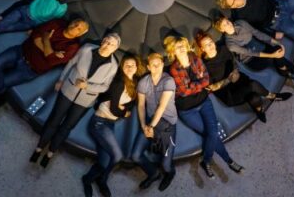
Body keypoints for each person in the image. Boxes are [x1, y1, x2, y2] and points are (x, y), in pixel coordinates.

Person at [30, 33, 121, 168]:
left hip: (85, 100)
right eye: (107, 41)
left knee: (68, 126)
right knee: (54, 120)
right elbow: (71, 63)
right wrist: (61, 79)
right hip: (68, 90)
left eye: (112, 44)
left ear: (115, 48)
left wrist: (87, 86)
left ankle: (50, 152)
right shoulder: (87, 49)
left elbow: (105, 86)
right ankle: (39, 148)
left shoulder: (113, 65)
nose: (108, 45)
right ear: (102, 41)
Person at [0, 18, 89, 117]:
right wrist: (49, 51)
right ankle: (0, 96)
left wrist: (45, 38)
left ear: (81, 33)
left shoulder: (72, 47)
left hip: (30, 69)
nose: (75, 26)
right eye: (75, 22)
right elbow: (35, 34)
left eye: (79, 28)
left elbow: (51, 60)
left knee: (2, 81)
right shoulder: (57, 23)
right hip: (20, 51)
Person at [164, 35, 243, 178]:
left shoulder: (195, 58)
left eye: (182, 45)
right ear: (173, 52)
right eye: (177, 47)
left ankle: (210, 161)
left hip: (204, 102)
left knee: (212, 133)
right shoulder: (174, 69)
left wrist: (194, 85)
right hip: (187, 110)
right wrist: (198, 83)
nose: (181, 48)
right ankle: (228, 161)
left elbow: (205, 80)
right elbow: (183, 91)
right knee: (209, 133)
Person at [81, 54, 146, 197]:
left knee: (104, 162)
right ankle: (99, 180)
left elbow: (132, 103)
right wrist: (124, 113)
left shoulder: (134, 82)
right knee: (117, 156)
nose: (129, 68)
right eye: (126, 65)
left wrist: (125, 107)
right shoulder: (118, 82)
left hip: (109, 124)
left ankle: (92, 180)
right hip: (99, 123)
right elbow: (114, 109)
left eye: (132, 65)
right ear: (122, 67)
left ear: (137, 67)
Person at [195, 32, 291, 123]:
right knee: (252, 85)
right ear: (202, 49)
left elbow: (234, 62)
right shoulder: (203, 66)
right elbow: (211, 87)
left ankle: (259, 110)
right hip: (229, 93)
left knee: (254, 97)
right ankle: (273, 96)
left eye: (211, 42)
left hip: (239, 80)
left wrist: (235, 71)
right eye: (206, 45)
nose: (211, 45)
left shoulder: (223, 49)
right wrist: (228, 79)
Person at [213, 16, 294, 94]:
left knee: (278, 54)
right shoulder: (230, 43)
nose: (228, 24)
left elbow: (257, 33)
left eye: (227, 21)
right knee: (277, 59)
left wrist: (275, 42)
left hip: (259, 46)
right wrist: (272, 56)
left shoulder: (240, 23)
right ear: (222, 30)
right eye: (224, 25)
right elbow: (250, 52)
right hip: (251, 59)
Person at [131, 52, 177, 192]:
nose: (156, 67)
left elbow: (162, 107)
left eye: (159, 64)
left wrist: (150, 126)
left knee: (166, 165)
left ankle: (170, 173)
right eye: (153, 65)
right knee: (135, 156)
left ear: (163, 65)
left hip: (167, 123)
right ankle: (153, 173)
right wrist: (144, 125)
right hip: (151, 122)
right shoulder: (143, 82)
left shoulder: (168, 81)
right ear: (148, 67)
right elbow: (140, 106)